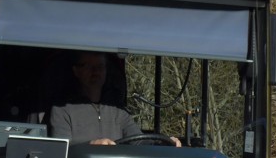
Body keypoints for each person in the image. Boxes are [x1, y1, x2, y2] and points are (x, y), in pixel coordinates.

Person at [50, 52, 180, 146]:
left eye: (100, 66)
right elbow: (60, 150)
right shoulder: (62, 109)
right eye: (89, 66)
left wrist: (163, 143)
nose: (95, 71)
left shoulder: (118, 110)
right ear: (76, 71)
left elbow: (139, 141)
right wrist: (91, 145)